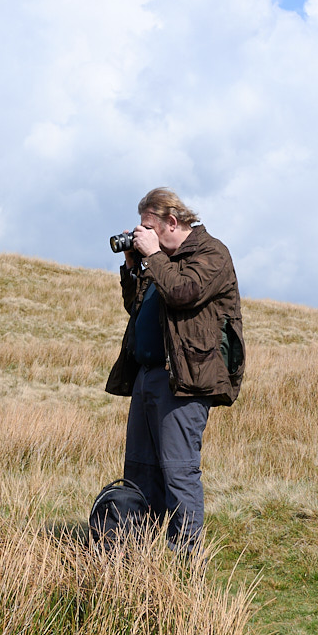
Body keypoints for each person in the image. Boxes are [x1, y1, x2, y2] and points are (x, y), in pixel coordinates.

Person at [104, 188, 245, 552]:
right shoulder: (159, 259)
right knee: (139, 469)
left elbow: (184, 292)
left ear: (172, 220)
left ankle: (184, 559)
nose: (143, 234)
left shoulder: (211, 253)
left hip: (185, 381)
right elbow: (136, 307)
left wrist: (152, 256)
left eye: (149, 226)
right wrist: (134, 267)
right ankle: (140, 551)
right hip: (147, 375)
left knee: (178, 472)